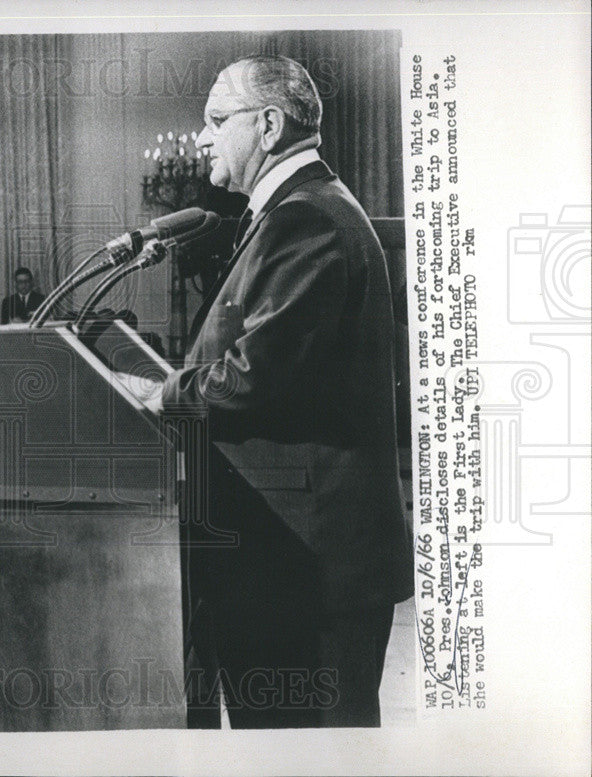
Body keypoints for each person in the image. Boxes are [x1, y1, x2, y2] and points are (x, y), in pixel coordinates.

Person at [127, 55, 413, 728]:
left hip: (305, 568)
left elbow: (253, 377)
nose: (200, 138)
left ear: (269, 125)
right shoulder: (293, 210)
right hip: (286, 556)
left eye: (215, 120)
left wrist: (160, 393)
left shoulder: (306, 218)